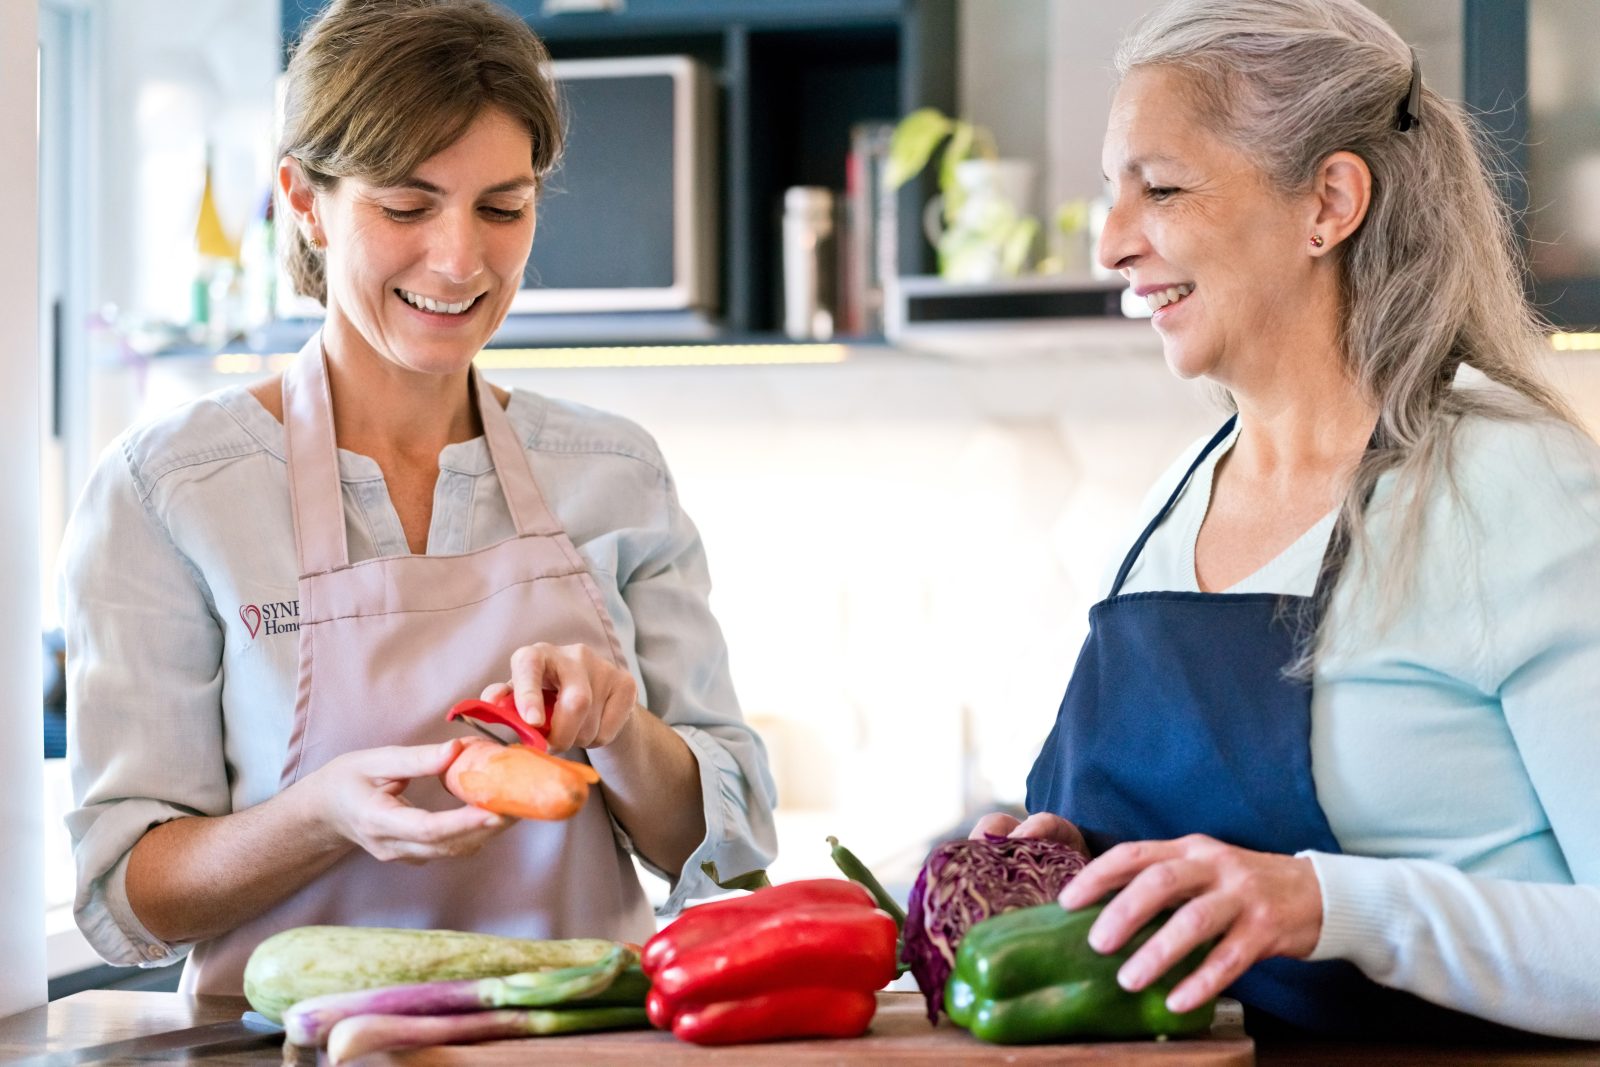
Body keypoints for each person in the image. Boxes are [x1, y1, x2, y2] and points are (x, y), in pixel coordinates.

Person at [62, 0, 775, 996]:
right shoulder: (169, 488)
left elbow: (721, 846)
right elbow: (128, 894)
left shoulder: (614, 469)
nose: (459, 259)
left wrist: (623, 728)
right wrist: (319, 814)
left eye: (502, 206)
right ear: (304, 200)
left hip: (583, 1046)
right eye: (406, 205)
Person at [973, 0, 1600, 1042]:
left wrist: (1324, 903)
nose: (1111, 242)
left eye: (1160, 187)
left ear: (1328, 203)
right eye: (1108, 193)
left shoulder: (1512, 482)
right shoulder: (1174, 497)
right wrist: (1077, 871)